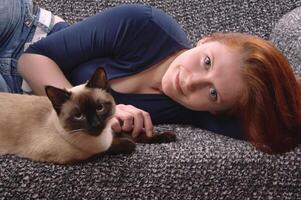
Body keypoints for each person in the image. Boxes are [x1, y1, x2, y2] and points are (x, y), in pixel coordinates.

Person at [1, 0, 300, 154]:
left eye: (212, 93)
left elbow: (276, 123)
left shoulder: (194, 111)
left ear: (215, 111)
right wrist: (89, 104)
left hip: (15, 95)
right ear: (207, 40)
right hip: (22, 30)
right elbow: (33, 58)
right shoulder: (144, 25)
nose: (191, 80)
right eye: (206, 62)